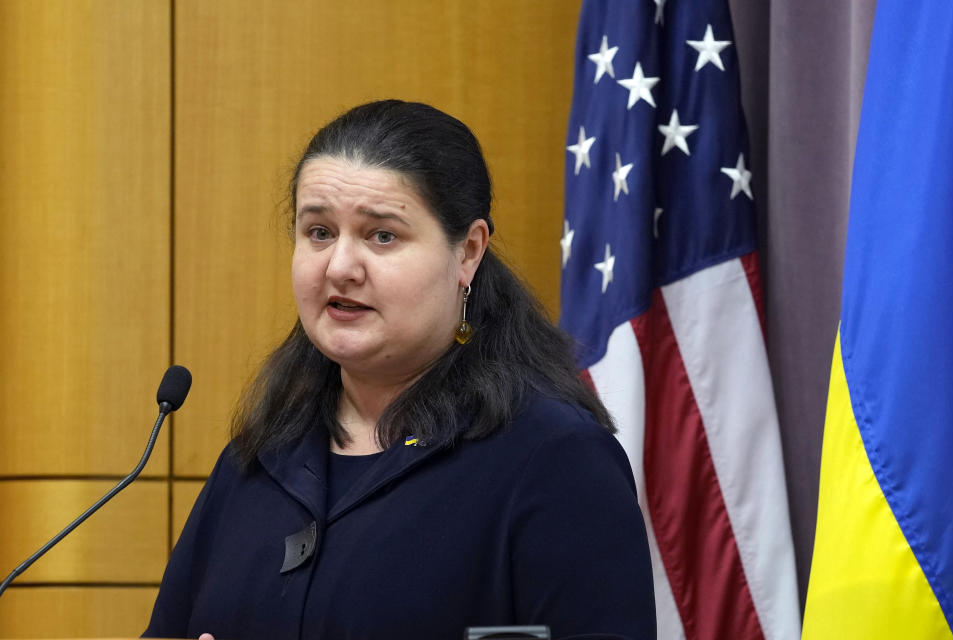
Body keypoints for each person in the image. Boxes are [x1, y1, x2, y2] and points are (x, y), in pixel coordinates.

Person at [143, 100, 656, 639]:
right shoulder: (262, 455)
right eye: (318, 232)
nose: (340, 266)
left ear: (469, 253)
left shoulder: (553, 459)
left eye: (381, 236)